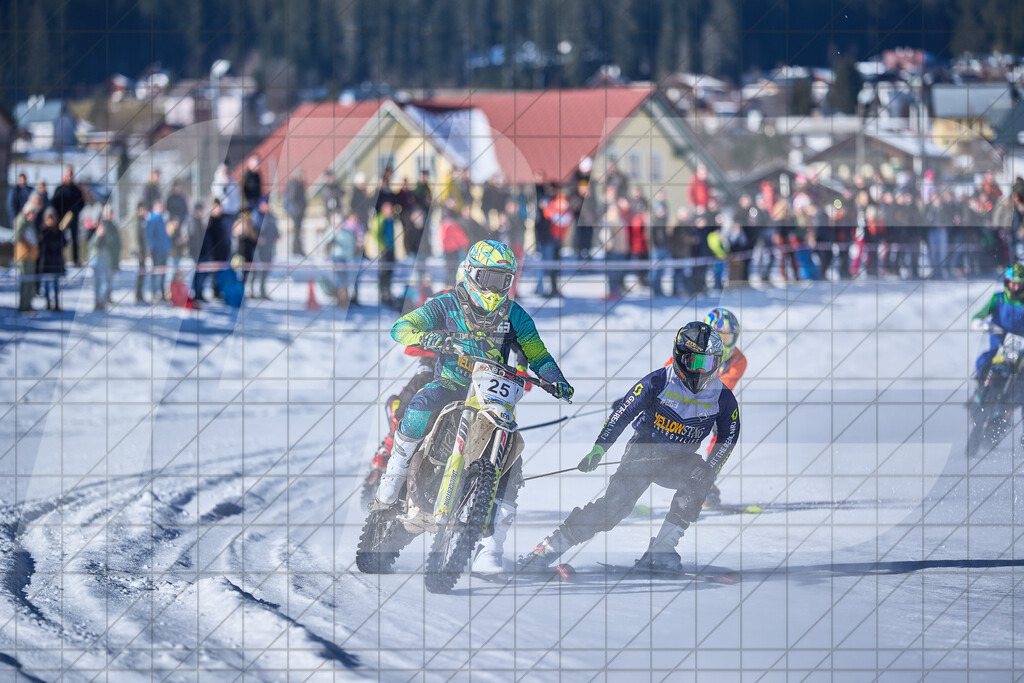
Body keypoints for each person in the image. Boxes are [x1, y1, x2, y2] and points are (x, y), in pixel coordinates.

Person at [371, 240, 575, 575]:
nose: (495, 288)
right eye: (488, 278)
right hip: (452, 384)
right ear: (470, 273)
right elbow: (401, 328)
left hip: (491, 395)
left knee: (513, 461)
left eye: (502, 280)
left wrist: (556, 379)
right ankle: (391, 482)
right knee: (420, 403)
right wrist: (430, 338)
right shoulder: (446, 304)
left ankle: (489, 551)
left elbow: (537, 354)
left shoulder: (516, 316)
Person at [518, 321, 740, 573]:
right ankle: (546, 549)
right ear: (680, 357)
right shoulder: (657, 381)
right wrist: (599, 449)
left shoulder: (722, 397)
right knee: (614, 510)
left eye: (708, 363)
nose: (701, 370)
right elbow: (621, 415)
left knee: (701, 473)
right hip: (643, 453)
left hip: (678, 463)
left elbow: (728, 438)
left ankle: (662, 549)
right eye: (694, 362)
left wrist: (710, 473)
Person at [971, 264, 1024, 384]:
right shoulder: (998, 299)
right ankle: (979, 392)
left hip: (1020, 350)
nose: (1016, 288)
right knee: (983, 362)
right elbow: (979, 315)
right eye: (1013, 284)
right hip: (998, 346)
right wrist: (980, 323)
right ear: (1007, 282)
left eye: (1020, 284)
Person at [51, 165, 85, 266]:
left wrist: (76, 211)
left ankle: (75, 260)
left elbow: (82, 203)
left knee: (75, 239)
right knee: (60, 239)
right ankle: (60, 260)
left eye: (71, 174)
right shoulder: (60, 189)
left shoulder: (76, 189)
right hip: (61, 218)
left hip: (73, 218)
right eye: (68, 174)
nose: (69, 176)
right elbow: (54, 202)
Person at [370, 201, 398, 309]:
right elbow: (375, 234)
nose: (391, 211)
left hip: (391, 249)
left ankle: (388, 293)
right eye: (389, 209)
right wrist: (383, 246)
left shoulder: (391, 219)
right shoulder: (380, 218)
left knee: (390, 272)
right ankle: (382, 294)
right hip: (384, 250)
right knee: (384, 273)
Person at [38, 207, 66, 311]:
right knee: (46, 285)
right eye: (49, 218)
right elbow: (44, 245)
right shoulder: (43, 230)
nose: (51, 220)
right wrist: (55, 244)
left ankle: (57, 304)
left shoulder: (59, 231)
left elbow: (64, 243)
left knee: (56, 285)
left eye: (53, 217)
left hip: (57, 262)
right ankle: (48, 303)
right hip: (46, 263)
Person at [252, 197, 279, 300]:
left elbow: (275, 228)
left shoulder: (271, 216)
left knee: (265, 270)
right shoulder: (255, 216)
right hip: (257, 248)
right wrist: (257, 239)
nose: (266, 206)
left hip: (268, 247)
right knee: (254, 270)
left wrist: (277, 236)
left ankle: (262, 291)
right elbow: (252, 231)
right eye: (264, 204)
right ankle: (251, 291)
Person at [14, 203, 39, 312]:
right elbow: (17, 237)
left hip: (31, 256)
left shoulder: (30, 223)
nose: (33, 215)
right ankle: (23, 305)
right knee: (25, 282)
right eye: (31, 212)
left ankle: (28, 304)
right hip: (24, 256)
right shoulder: (21, 221)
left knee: (30, 283)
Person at [146, 201, 172, 302]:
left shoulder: (163, 218)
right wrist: (153, 248)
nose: (161, 208)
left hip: (164, 249)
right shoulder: (152, 218)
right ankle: (154, 292)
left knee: (163, 272)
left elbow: (165, 234)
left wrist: (168, 245)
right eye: (159, 206)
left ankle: (161, 291)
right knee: (156, 272)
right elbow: (150, 236)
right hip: (157, 250)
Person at [99, 204, 121, 306]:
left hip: (113, 256)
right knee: (105, 279)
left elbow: (117, 241)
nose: (112, 214)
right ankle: (102, 298)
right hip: (106, 256)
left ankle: (108, 296)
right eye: (110, 212)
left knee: (111, 279)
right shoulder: (103, 225)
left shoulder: (113, 225)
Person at [285, 170, 308, 256]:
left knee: (298, 231)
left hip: (299, 211)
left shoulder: (299, 185)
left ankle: (297, 249)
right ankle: (297, 250)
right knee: (297, 231)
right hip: (296, 211)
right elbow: (292, 197)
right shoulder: (293, 184)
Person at [134, 202, 149, 303]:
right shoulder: (137, 221)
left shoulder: (144, 221)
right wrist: (139, 252)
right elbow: (136, 238)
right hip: (140, 252)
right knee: (141, 272)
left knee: (143, 272)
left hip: (144, 251)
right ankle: (138, 294)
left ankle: (140, 294)